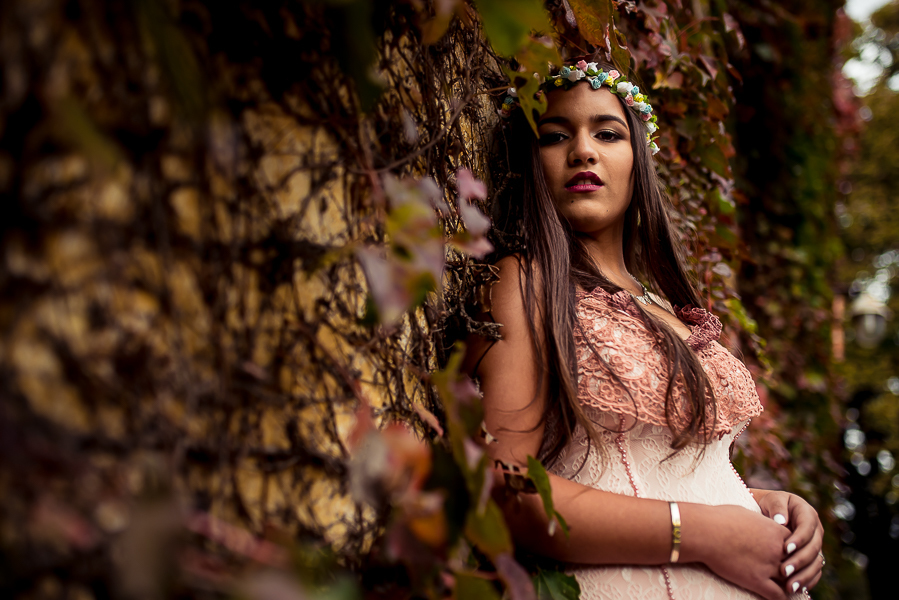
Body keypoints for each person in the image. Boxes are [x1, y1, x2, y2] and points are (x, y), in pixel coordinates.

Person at [464, 59, 825, 600]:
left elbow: (665, 468)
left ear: (638, 160)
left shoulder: (668, 306)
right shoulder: (526, 282)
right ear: (531, 162)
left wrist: (759, 505)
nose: (583, 150)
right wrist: (703, 533)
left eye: (607, 134)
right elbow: (506, 491)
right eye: (556, 136)